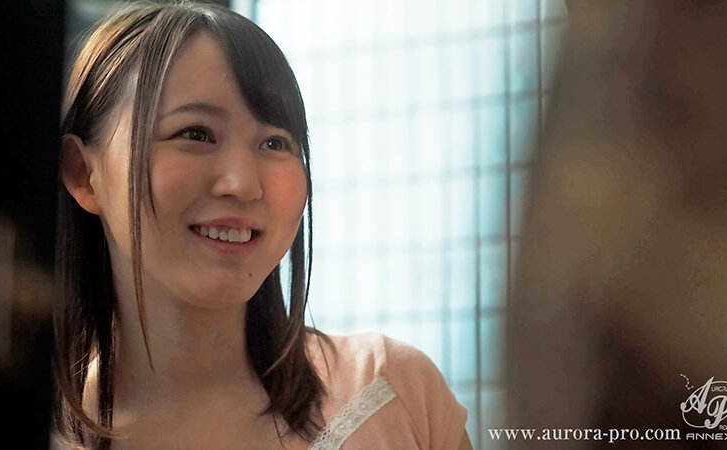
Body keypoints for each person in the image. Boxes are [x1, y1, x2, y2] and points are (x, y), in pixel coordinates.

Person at [52, 1, 470, 448]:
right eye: (195, 134)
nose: (243, 184)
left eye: (274, 142)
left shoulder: (393, 392)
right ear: (83, 173)